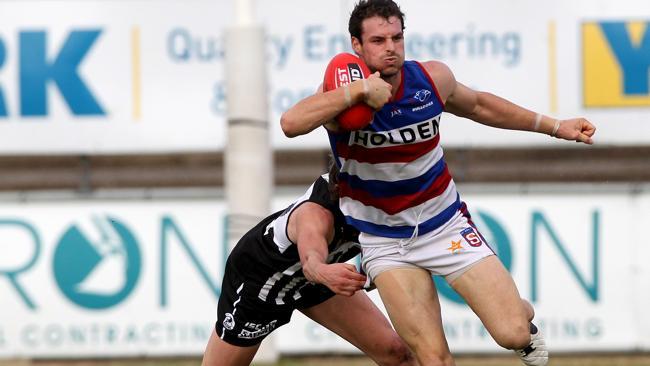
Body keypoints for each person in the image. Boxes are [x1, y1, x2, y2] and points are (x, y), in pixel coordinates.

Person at [280, 1, 596, 365]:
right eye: (378, 40)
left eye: (397, 38)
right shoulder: (342, 101)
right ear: (357, 45)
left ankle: (520, 315)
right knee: (433, 358)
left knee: (512, 332)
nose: (390, 48)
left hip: (445, 226)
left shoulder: (431, 79)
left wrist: (556, 126)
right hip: (385, 242)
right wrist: (358, 93)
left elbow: (480, 106)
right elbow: (290, 123)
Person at [201, 167, 415, 366]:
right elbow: (311, 263)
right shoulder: (315, 214)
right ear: (341, 190)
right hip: (263, 282)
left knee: (397, 353)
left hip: (317, 278)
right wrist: (326, 272)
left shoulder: (383, 203)